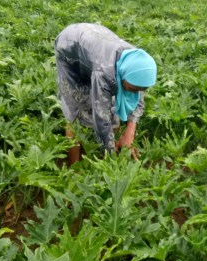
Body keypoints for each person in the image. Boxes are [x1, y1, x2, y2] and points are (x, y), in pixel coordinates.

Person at [54, 23, 157, 164]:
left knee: (113, 106)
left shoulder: (137, 63)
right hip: (69, 47)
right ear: (123, 75)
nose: (136, 92)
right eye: (132, 88)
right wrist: (112, 158)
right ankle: (73, 167)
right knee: (75, 109)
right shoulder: (105, 72)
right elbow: (101, 116)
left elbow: (138, 96)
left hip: (93, 45)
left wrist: (129, 134)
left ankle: (108, 150)